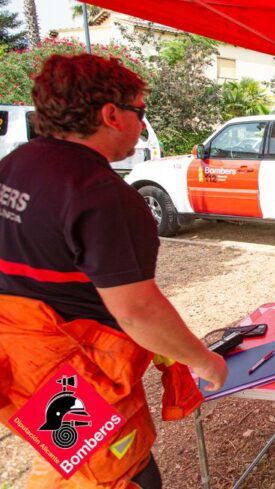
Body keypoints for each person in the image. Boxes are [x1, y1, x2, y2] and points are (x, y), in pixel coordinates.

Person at [0, 54, 227, 488]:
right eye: (139, 112)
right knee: (115, 471)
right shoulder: (102, 195)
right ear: (110, 114)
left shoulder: (15, 165)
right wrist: (203, 361)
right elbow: (137, 311)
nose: (141, 125)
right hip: (71, 376)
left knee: (63, 460)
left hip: (22, 367)